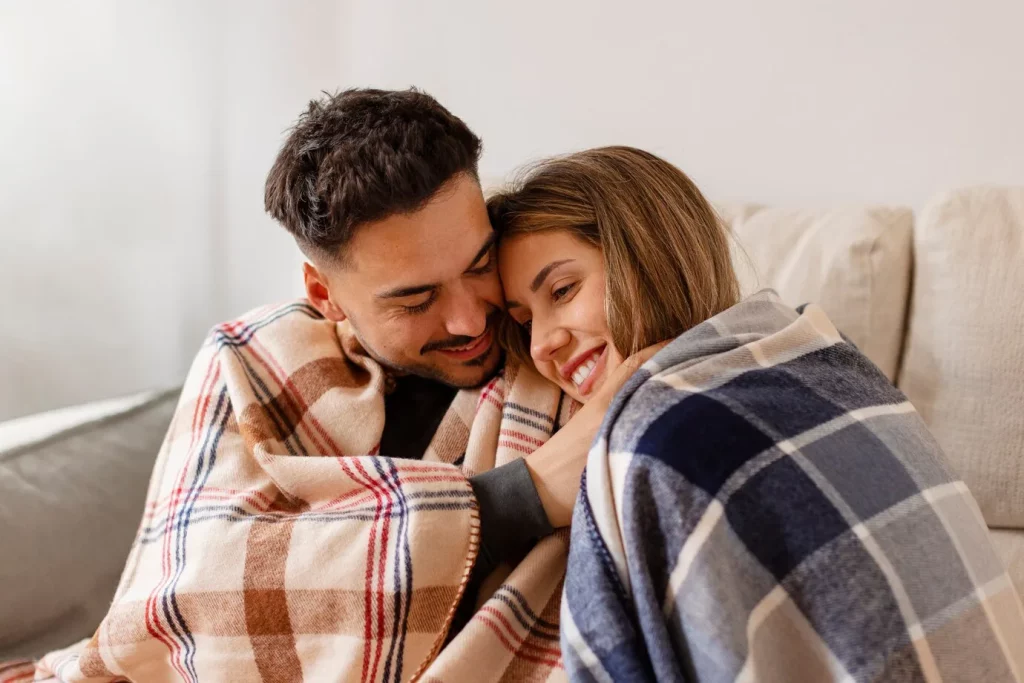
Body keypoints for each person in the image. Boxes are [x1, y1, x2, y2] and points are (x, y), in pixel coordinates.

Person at [6, 89, 641, 683]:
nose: (471, 319)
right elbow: (196, 596)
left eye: (480, 265)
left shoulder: (553, 346)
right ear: (323, 293)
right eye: (415, 299)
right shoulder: (252, 354)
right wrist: (519, 498)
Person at [488, 146, 1024, 681]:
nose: (541, 346)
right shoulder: (834, 365)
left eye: (562, 290)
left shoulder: (657, 443)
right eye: (524, 321)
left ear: (647, 254)